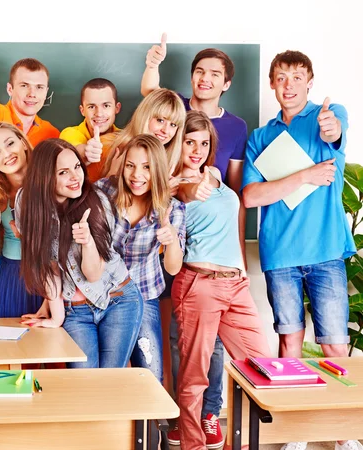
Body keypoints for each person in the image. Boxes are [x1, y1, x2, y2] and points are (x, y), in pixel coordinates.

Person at [242, 51, 359, 450]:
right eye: (280, 77)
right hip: (281, 256)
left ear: (310, 81)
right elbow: (252, 196)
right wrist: (306, 175)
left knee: (334, 347)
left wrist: (330, 127)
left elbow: (334, 132)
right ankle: (297, 431)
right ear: (272, 84)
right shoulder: (260, 136)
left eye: (296, 76)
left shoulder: (327, 114)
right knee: (289, 345)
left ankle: (341, 431)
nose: (288, 84)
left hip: (325, 253)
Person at [141, 33, 248, 447]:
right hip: (166, 241)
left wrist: (236, 258)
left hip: (211, 254)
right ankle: (174, 412)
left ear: (226, 83)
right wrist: (152, 63)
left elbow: (232, 195)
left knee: (213, 340)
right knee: (173, 334)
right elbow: (152, 96)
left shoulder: (236, 127)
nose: (204, 78)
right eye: (199, 71)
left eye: (214, 74)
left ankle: (207, 412)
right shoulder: (176, 111)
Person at [172, 111, 271, 450]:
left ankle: (240, 443)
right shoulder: (172, 184)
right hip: (200, 284)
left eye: (203, 142)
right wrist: (185, 185)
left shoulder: (214, 173)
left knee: (260, 366)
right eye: (189, 142)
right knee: (195, 375)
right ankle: (193, 445)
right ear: (177, 143)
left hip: (236, 284)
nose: (196, 150)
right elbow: (184, 192)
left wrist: (242, 269)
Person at [17, 138, 143, 369]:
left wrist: (87, 242)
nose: (75, 177)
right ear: (44, 177)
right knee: (84, 381)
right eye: (63, 172)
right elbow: (47, 264)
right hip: (74, 311)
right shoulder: (26, 203)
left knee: (109, 381)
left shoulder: (98, 201)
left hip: (117, 300)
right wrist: (56, 316)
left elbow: (93, 274)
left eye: (77, 167)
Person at [95, 134, 185, 387]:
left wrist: (170, 240)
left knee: (151, 375)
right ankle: (110, 426)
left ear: (157, 169)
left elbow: (173, 267)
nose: (137, 175)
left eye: (146, 167)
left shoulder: (171, 208)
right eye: (131, 166)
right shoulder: (103, 191)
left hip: (144, 293)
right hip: (103, 294)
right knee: (105, 376)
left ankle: (149, 428)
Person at [0, 122, 42, 317]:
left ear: (22, 142)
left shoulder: (49, 179)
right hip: (14, 275)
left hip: (51, 271)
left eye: (10, 143)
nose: (6, 154)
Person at [103, 88, 185, 179]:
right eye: (160, 120)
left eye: (173, 125)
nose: (166, 130)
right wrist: (111, 175)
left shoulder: (172, 162)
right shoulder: (107, 146)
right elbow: (89, 191)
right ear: (145, 116)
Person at [60, 78, 121, 181]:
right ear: (82, 110)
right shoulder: (70, 133)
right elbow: (74, 148)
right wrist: (86, 152)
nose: (99, 114)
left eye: (106, 105)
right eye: (91, 107)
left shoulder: (124, 138)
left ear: (117, 108)